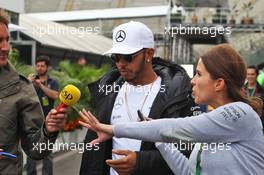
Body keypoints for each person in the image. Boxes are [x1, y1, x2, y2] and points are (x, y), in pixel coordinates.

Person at [79, 43, 264, 175]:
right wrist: (159, 140)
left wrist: (112, 129)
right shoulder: (212, 124)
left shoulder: (241, 113)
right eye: (116, 58)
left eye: (198, 74)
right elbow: (187, 171)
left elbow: (179, 128)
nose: (192, 81)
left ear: (219, 83)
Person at [79, 21, 199, 175]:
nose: (121, 64)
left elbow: (189, 150)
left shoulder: (178, 95)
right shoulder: (107, 91)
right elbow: (93, 156)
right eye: (116, 57)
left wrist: (141, 161)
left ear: (149, 54)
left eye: (128, 57)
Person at [0, 8, 67, 174]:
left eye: (8, 40)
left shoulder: (22, 87)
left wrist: (48, 131)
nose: (6, 47)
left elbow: (35, 148)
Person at [27, 56, 59, 175]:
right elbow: (20, 94)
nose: (39, 68)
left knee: (47, 154)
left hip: (48, 123)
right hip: (32, 123)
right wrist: (27, 83)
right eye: (38, 65)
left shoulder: (52, 82)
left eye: (42, 66)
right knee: (31, 153)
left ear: (47, 67)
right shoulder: (30, 82)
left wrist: (41, 85)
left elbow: (55, 95)